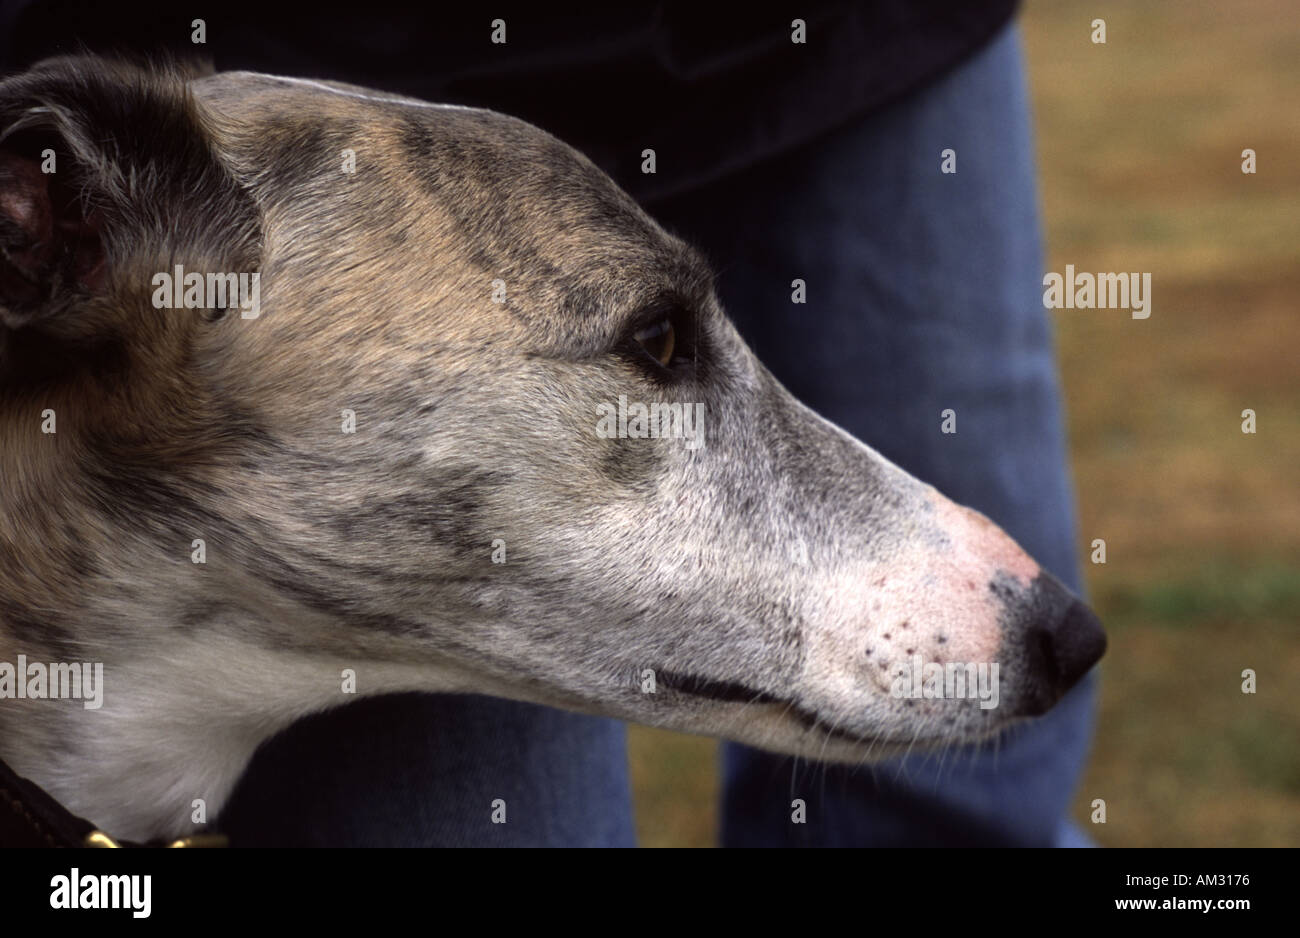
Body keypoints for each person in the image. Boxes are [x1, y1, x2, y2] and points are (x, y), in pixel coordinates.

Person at [1, 0, 1098, 846]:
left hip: (840, 46)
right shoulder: (143, 222)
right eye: (656, 349)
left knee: (962, 815)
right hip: (302, 34)